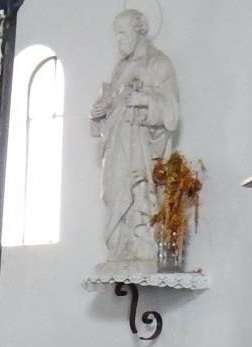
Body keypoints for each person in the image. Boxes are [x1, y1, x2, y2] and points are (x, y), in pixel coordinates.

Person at [89, 9, 180, 270]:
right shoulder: (120, 68)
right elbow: (110, 105)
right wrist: (99, 113)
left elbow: (171, 110)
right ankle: (120, 248)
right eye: (116, 34)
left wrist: (143, 100)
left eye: (122, 33)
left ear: (139, 31)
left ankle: (141, 247)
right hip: (116, 147)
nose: (118, 40)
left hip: (140, 147)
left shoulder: (158, 63)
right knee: (114, 194)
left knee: (138, 195)